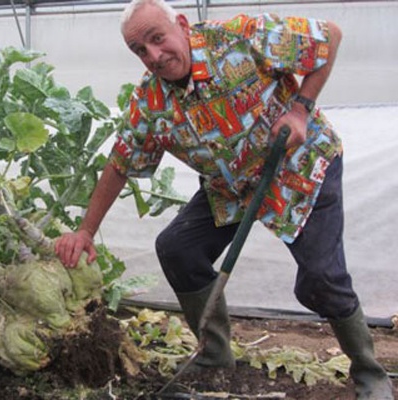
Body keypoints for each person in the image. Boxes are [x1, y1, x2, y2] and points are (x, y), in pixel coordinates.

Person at [54, 0, 395, 398]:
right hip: (233, 186)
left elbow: (329, 37)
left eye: (158, 39)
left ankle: (371, 373)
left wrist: (300, 110)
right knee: (178, 248)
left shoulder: (241, 38)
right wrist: (86, 231)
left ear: (182, 24)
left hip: (301, 169)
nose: (154, 56)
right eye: (140, 50)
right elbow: (120, 163)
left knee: (321, 280)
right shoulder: (151, 102)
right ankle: (214, 355)